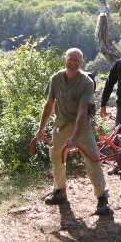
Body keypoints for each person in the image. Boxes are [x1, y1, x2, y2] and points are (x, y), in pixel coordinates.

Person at [33, 48, 109, 214]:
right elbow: (49, 104)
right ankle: (60, 191)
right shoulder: (56, 78)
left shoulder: (86, 82)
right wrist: (41, 129)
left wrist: (75, 136)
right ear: (65, 59)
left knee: (93, 160)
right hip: (60, 125)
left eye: (77, 60)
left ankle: (102, 198)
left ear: (81, 62)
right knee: (56, 158)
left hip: (81, 127)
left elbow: (82, 111)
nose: (73, 62)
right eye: (70, 59)